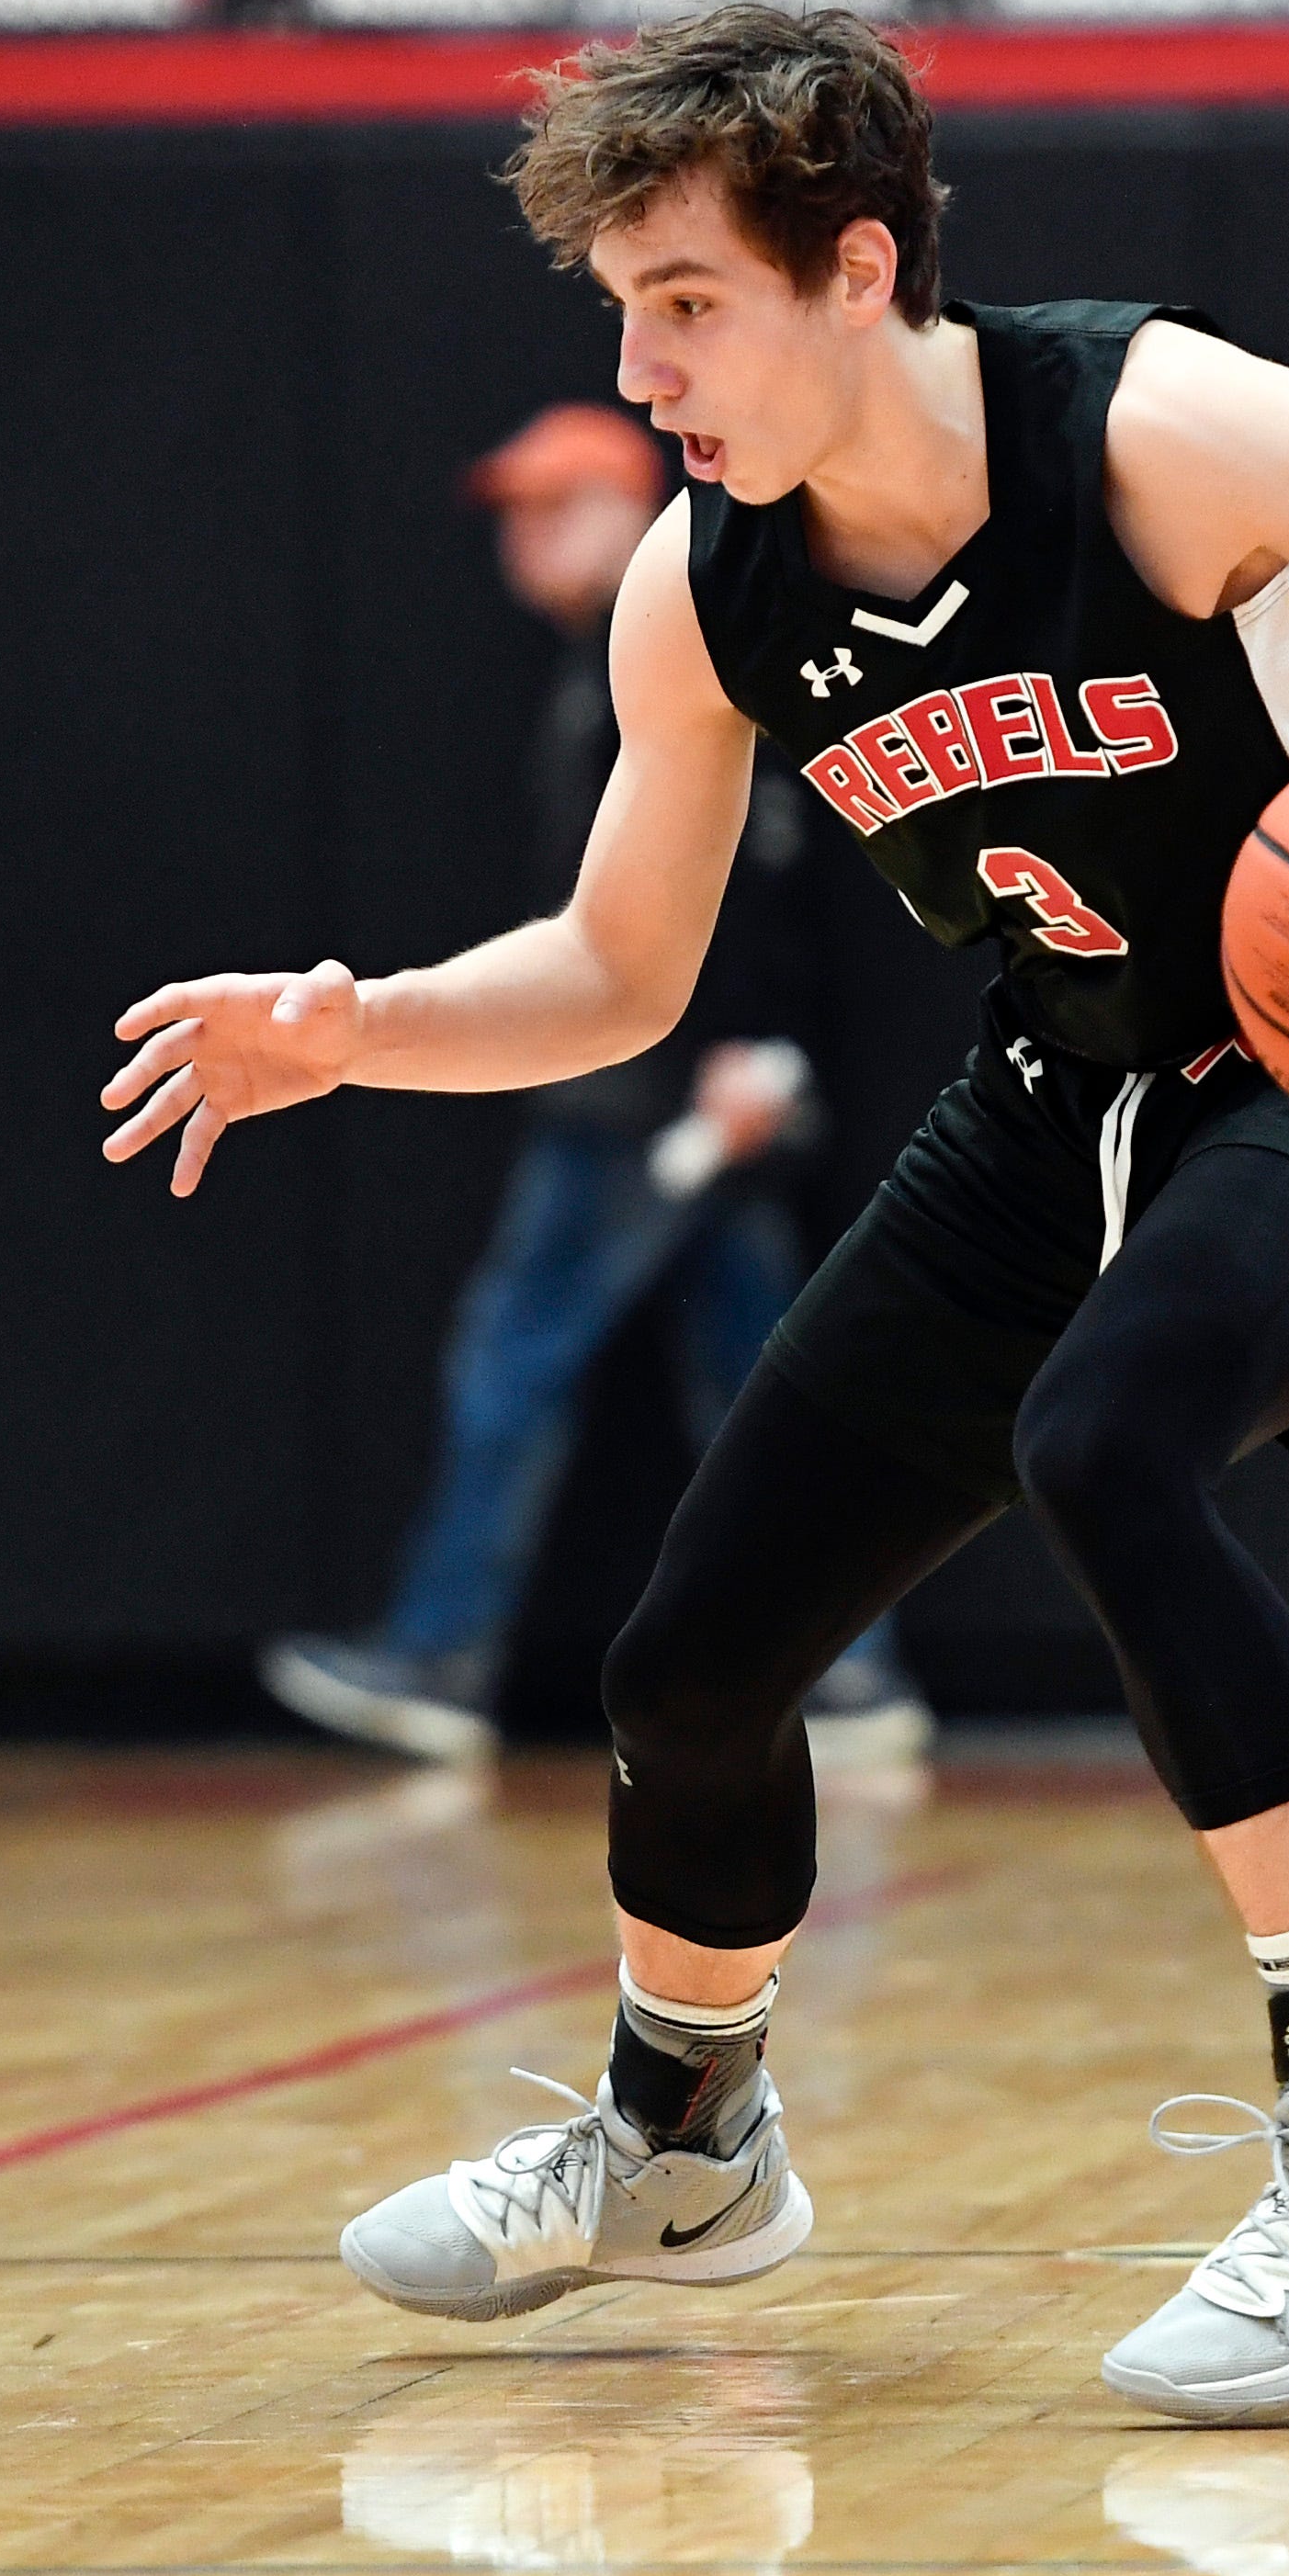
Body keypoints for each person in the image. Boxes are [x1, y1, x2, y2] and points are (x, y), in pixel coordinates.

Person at [101, 3, 1289, 2421]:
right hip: (1044, 1090)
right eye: (620, 309)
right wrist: (359, 1026)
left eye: (682, 301)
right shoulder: (706, 588)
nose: (642, 364)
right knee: (689, 1657)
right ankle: (678, 2141)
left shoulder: (1153, 431)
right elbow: (610, 973)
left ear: (855, 270)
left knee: (1104, 1446)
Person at [259, 403, 930, 1775]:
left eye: (553, 505)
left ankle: (441, 1656)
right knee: (759, 1388)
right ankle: (851, 1679)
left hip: (643, 1103)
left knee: (521, 1354)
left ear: (634, 511)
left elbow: (750, 874)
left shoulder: (680, 652)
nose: (524, 536)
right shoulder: (614, 661)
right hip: (643, 1090)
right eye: (513, 511)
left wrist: (754, 1055)